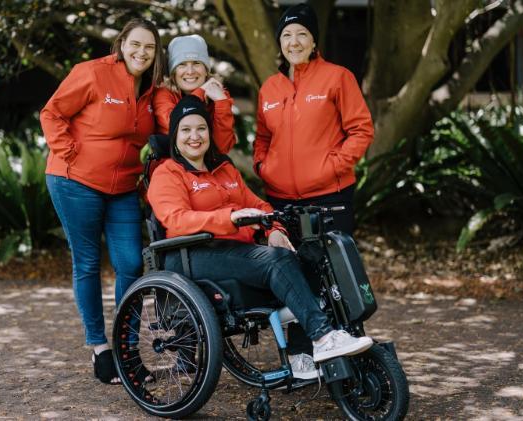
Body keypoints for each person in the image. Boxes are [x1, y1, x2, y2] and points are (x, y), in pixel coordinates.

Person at [147, 95, 373, 378]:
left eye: (201, 128)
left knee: (311, 258)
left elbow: (261, 207)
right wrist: (227, 218)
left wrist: (274, 230)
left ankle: (302, 354)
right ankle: (323, 338)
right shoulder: (168, 173)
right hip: (192, 256)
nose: (195, 136)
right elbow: (176, 220)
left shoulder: (224, 169)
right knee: (274, 262)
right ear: (175, 136)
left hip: (235, 252)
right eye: (186, 130)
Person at [40, 18, 164, 385]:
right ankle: (100, 349)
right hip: (74, 182)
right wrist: (72, 155)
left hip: (123, 188)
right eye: (135, 44)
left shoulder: (152, 90)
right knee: (88, 263)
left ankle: (126, 350)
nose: (141, 52)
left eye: (149, 47)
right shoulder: (92, 73)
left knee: (130, 265)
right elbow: (52, 113)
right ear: (122, 43)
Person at [253, 3, 374, 374]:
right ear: (280, 43)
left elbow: (361, 129)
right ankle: (303, 353)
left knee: (335, 276)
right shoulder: (270, 88)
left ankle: (349, 353)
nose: (294, 41)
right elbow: (261, 138)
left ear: (314, 40)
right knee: (294, 276)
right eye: (287, 35)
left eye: (301, 34)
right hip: (282, 200)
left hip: (329, 195)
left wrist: (332, 166)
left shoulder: (337, 77)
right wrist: (263, 167)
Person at [153, 34, 236, 154]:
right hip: (172, 167)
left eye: (196, 63)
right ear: (173, 72)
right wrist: (201, 92)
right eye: (182, 64)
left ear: (206, 70)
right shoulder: (164, 93)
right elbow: (176, 125)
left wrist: (221, 103)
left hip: (208, 167)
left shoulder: (218, 94)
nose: (190, 71)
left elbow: (221, 147)